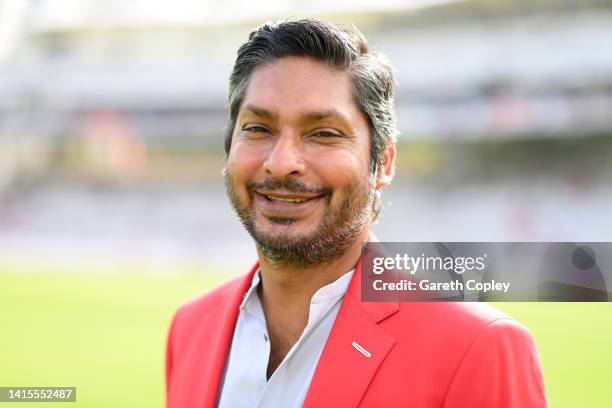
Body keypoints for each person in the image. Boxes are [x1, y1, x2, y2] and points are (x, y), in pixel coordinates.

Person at [165, 18, 547, 408]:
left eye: (324, 133)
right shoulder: (191, 328)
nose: (281, 163)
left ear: (382, 163)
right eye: (259, 128)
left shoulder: (480, 346)